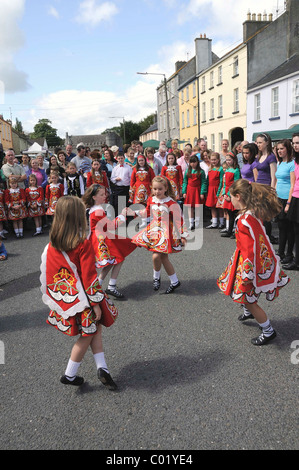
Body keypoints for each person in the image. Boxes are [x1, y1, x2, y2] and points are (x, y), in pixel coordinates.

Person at [40, 196, 118, 389]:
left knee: (94, 329)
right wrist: (95, 304)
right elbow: (89, 277)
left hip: (70, 297)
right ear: (78, 217)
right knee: (87, 335)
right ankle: (70, 373)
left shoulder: (53, 243)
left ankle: (103, 368)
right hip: (86, 300)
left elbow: (53, 273)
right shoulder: (82, 243)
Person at [217, 179, 289, 346]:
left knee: (249, 299)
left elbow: (250, 249)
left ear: (238, 196)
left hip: (248, 262)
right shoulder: (252, 213)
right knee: (238, 289)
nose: (230, 201)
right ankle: (247, 310)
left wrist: (248, 273)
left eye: (231, 197)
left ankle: (268, 330)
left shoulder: (243, 220)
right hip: (247, 259)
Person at [129, 176, 188, 294]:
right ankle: (174, 281)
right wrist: (134, 212)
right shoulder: (151, 199)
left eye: (160, 189)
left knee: (157, 256)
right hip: (154, 230)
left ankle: (157, 278)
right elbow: (147, 212)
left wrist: (183, 235)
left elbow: (178, 219)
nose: (157, 191)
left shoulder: (171, 202)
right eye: (155, 189)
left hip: (166, 233)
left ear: (166, 188)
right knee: (163, 258)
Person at [83, 184, 136, 299]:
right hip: (102, 240)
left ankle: (99, 285)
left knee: (113, 260)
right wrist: (122, 215)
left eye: (105, 194)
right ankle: (107, 286)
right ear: (94, 197)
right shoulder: (97, 211)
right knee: (118, 258)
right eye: (101, 195)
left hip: (100, 238)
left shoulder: (95, 209)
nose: (105, 196)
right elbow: (110, 226)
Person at [254, 133, 277, 243]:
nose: (258, 144)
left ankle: (267, 238)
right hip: (258, 188)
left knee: (266, 216)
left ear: (267, 143)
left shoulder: (271, 157)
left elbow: (273, 177)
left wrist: (272, 192)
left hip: (266, 188)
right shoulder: (259, 156)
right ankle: (261, 236)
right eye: (257, 142)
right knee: (258, 214)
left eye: (260, 142)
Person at [275, 140, 295, 264]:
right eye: (278, 149)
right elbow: (278, 181)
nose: (279, 151)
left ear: (287, 149)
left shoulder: (292, 164)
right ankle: (281, 252)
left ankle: (289, 254)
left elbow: (293, 185)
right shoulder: (280, 162)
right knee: (281, 226)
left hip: (288, 199)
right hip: (279, 198)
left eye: (282, 148)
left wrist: (288, 203)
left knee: (289, 229)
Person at [284, 132, 299, 270]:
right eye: (294, 143)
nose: (295, 145)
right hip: (295, 198)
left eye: (298, 143)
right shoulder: (295, 161)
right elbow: (294, 183)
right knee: (295, 231)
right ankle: (296, 260)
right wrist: (289, 202)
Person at [182, 155, 207, 230]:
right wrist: (184, 192)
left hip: (197, 190)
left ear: (197, 162)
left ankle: (197, 222)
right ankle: (191, 223)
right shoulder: (187, 171)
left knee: (198, 207)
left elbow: (203, 182)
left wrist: (202, 192)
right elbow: (185, 182)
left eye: (194, 162)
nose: (193, 164)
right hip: (189, 191)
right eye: (191, 162)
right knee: (190, 207)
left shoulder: (201, 171)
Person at [221, 152, 241, 238]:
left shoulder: (236, 170)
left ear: (234, 160)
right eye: (227, 160)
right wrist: (224, 193)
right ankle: (229, 231)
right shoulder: (227, 170)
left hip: (232, 193)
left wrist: (230, 194)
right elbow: (225, 183)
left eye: (230, 160)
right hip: (227, 193)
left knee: (234, 214)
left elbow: (235, 183)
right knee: (229, 213)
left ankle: (236, 232)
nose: (228, 161)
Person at [205, 152, 224, 229]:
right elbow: (207, 180)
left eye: (215, 160)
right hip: (211, 189)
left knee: (219, 207)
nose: (213, 161)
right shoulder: (210, 169)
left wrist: (219, 191)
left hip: (217, 189)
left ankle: (222, 222)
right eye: (212, 160)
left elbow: (221, 181)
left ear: (218, 160)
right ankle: (214, 222)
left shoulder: (220, 169)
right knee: (212, 206)